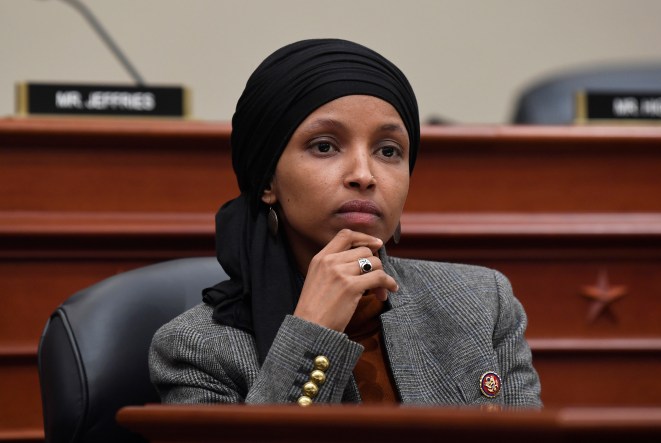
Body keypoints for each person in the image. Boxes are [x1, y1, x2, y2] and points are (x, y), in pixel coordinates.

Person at [149, 38, 541, 407]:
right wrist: (312, 333)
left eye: (388, 151)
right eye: (325, 146)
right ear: (266, 180)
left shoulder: (482, 302)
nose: (364, 175)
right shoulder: (197, 348)